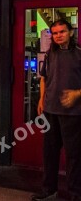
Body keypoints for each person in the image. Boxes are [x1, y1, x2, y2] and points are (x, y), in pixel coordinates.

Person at [32, 19, 81, 201]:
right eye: (55, 33)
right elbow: (44, 78)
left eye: (62, 31)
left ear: (71, 32)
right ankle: (49, 190)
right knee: (49, 153)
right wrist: (41, 99)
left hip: (73, 113)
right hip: (51, 111)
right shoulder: (50, 54)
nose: (59, 35)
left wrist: (76, 94)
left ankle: (75, 193)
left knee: (74, 156)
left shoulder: (79, 54)